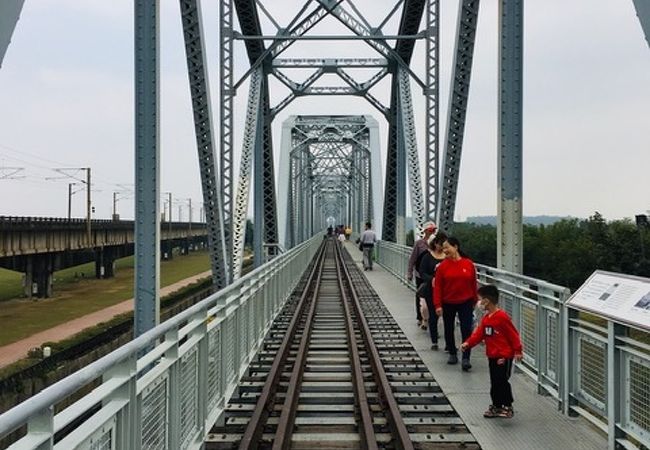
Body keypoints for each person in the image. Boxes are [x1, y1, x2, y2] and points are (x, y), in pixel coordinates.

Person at [461, 285, 523, 418]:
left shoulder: (502, 317)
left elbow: (513, 335)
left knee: (502, 380)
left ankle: (507, 405)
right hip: (492, 355)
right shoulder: (487, 318)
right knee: (494, 381)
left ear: (487, 301)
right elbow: (479, 334)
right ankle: (496, 405)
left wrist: (518, 350)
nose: (479, 302)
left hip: (504, 355)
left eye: (480, 299)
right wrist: (468, 343)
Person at [433, 236, 477, 371]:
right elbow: (438, 287)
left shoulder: (468, 264)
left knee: (466, 329)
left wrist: (474, 300)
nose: (444, 250)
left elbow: (473, 283)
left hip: (466, 301)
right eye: (443, 248)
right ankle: (452, 352)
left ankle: (466, 357)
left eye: (447, 247)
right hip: (448, 302)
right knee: (448, 328)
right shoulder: (442, 267)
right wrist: (438, 305)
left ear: (456, 247)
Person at [416, 231, 447, 349]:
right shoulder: (427, 256)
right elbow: (422, 272)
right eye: (440, 244)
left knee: (448, 316)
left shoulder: (449, 256)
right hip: (431, 290)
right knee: (433, 315)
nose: (441, 247)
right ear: (435, 243)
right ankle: (434, 340)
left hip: (447, 290)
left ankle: (449, 344)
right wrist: (432, 279)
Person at [407, 221, 437, 328]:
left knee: (433, 296)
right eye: (430, 230)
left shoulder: (437, 244)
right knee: (420, 294)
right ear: (425, 231)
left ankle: (430, 317)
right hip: (420, 274)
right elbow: (412, 259)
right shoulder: (419, 243)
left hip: (433, 276)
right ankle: (420, 317)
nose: (432, 232)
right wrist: (409, 273)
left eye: (433, 230)